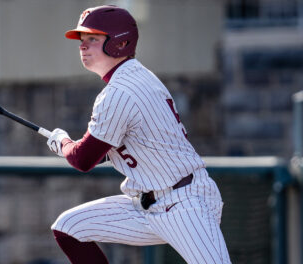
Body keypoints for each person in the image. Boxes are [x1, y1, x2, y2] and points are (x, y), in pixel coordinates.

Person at [46, 5, 231, 264]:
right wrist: (74, 146)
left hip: (184, 202)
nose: (83, 46)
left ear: (119, 43)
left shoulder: (119, 92)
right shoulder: (136, 76)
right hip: (147, 203)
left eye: (92, 39)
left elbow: (83, 160)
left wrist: (62, 142)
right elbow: (120, 148)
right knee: (69, 228)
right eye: (82, 40)